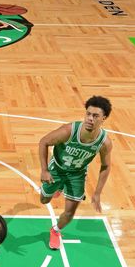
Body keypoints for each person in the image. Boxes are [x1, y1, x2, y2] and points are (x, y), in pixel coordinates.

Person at [38, 96, 113, 250]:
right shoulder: (68, 131)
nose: (90, 119)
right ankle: (57, 188)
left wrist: (97, 193)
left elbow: (106, 166)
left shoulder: (104, 142)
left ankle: (55, 230)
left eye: (95, 116)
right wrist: (44, 170)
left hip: (77, 175)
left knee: (70, 211)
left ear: (103, 118)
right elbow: (43, 142)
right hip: (57, 169)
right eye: (88, 114)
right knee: (44, 200)